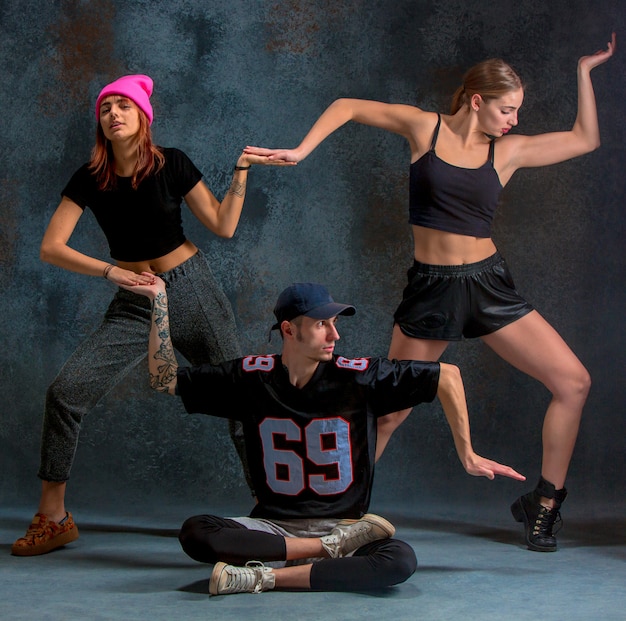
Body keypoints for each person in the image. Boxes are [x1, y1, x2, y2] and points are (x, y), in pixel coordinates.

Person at [243, 34, 617, 552]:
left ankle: (545, 504)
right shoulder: (426, 128)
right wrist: (301, 151)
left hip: (488, 286)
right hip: (432, 290)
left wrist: (584, 69)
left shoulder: (507, 152)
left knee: (573, 382)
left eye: (518, 112)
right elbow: (348, 106)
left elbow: (585, 138)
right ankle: (325, 509)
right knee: (391, 412)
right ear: (476, 100)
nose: (514, 121)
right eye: (507, 110)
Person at [11, 74, 293, 557]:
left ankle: (276, 510)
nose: (114, 114)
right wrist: (111, 273)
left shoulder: (172, 165)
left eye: (124, 105)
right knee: (66, 392)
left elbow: (223, 226)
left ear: (143, 116)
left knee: (242, 396)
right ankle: (54, 518)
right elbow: (50, 248)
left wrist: (241, 170)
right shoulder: (89, 178)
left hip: (193, 290)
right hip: (135, 299)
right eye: (106, 108)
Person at [129, 279, 524, 594]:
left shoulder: (359, 375)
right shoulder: (251, 377)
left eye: (335, 323)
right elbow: (163, 379)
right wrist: (158, 304)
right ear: (289, 330)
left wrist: (467, 453)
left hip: (345, 528)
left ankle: (262, 579)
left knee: (399, 560)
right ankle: (320, 554)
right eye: (321, 324)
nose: (334, 334)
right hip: (276, 529)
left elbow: (447, 376)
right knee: (196, 532)